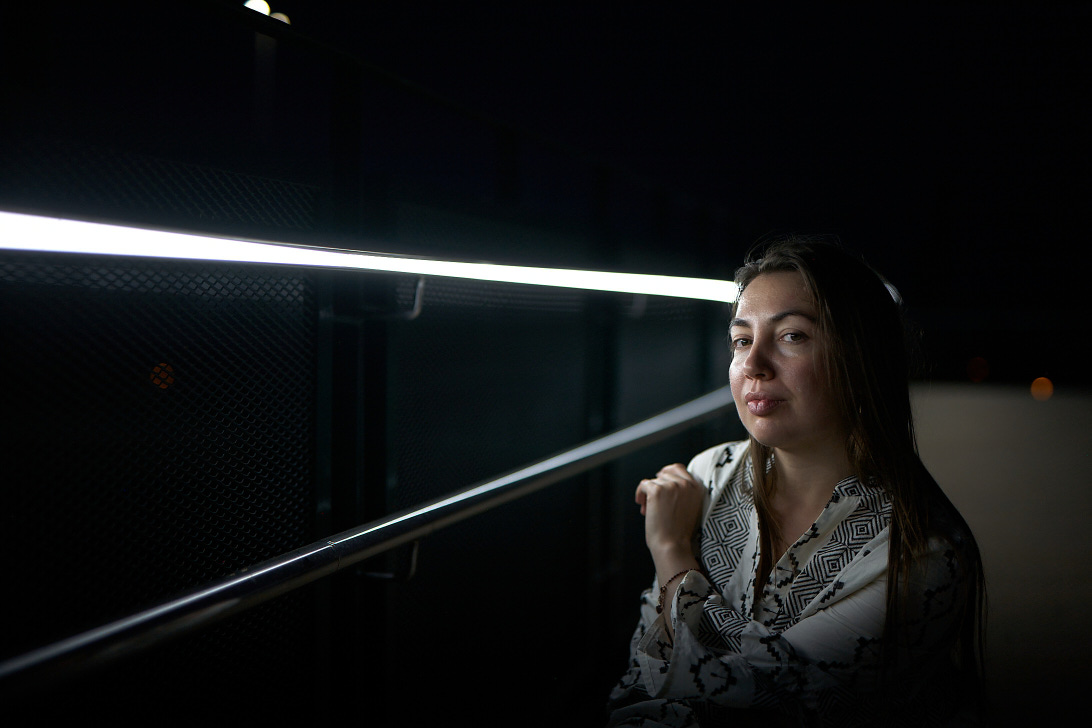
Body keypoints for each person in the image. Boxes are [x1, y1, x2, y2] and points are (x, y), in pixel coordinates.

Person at [606, 237, 987, 727]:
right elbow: (645, 667)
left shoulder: (919, 551)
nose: (754, 366)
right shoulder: (708, 475)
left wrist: (671, 551)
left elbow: (764, 695)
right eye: (742, 340)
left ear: (861, 356)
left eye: (792, 337)